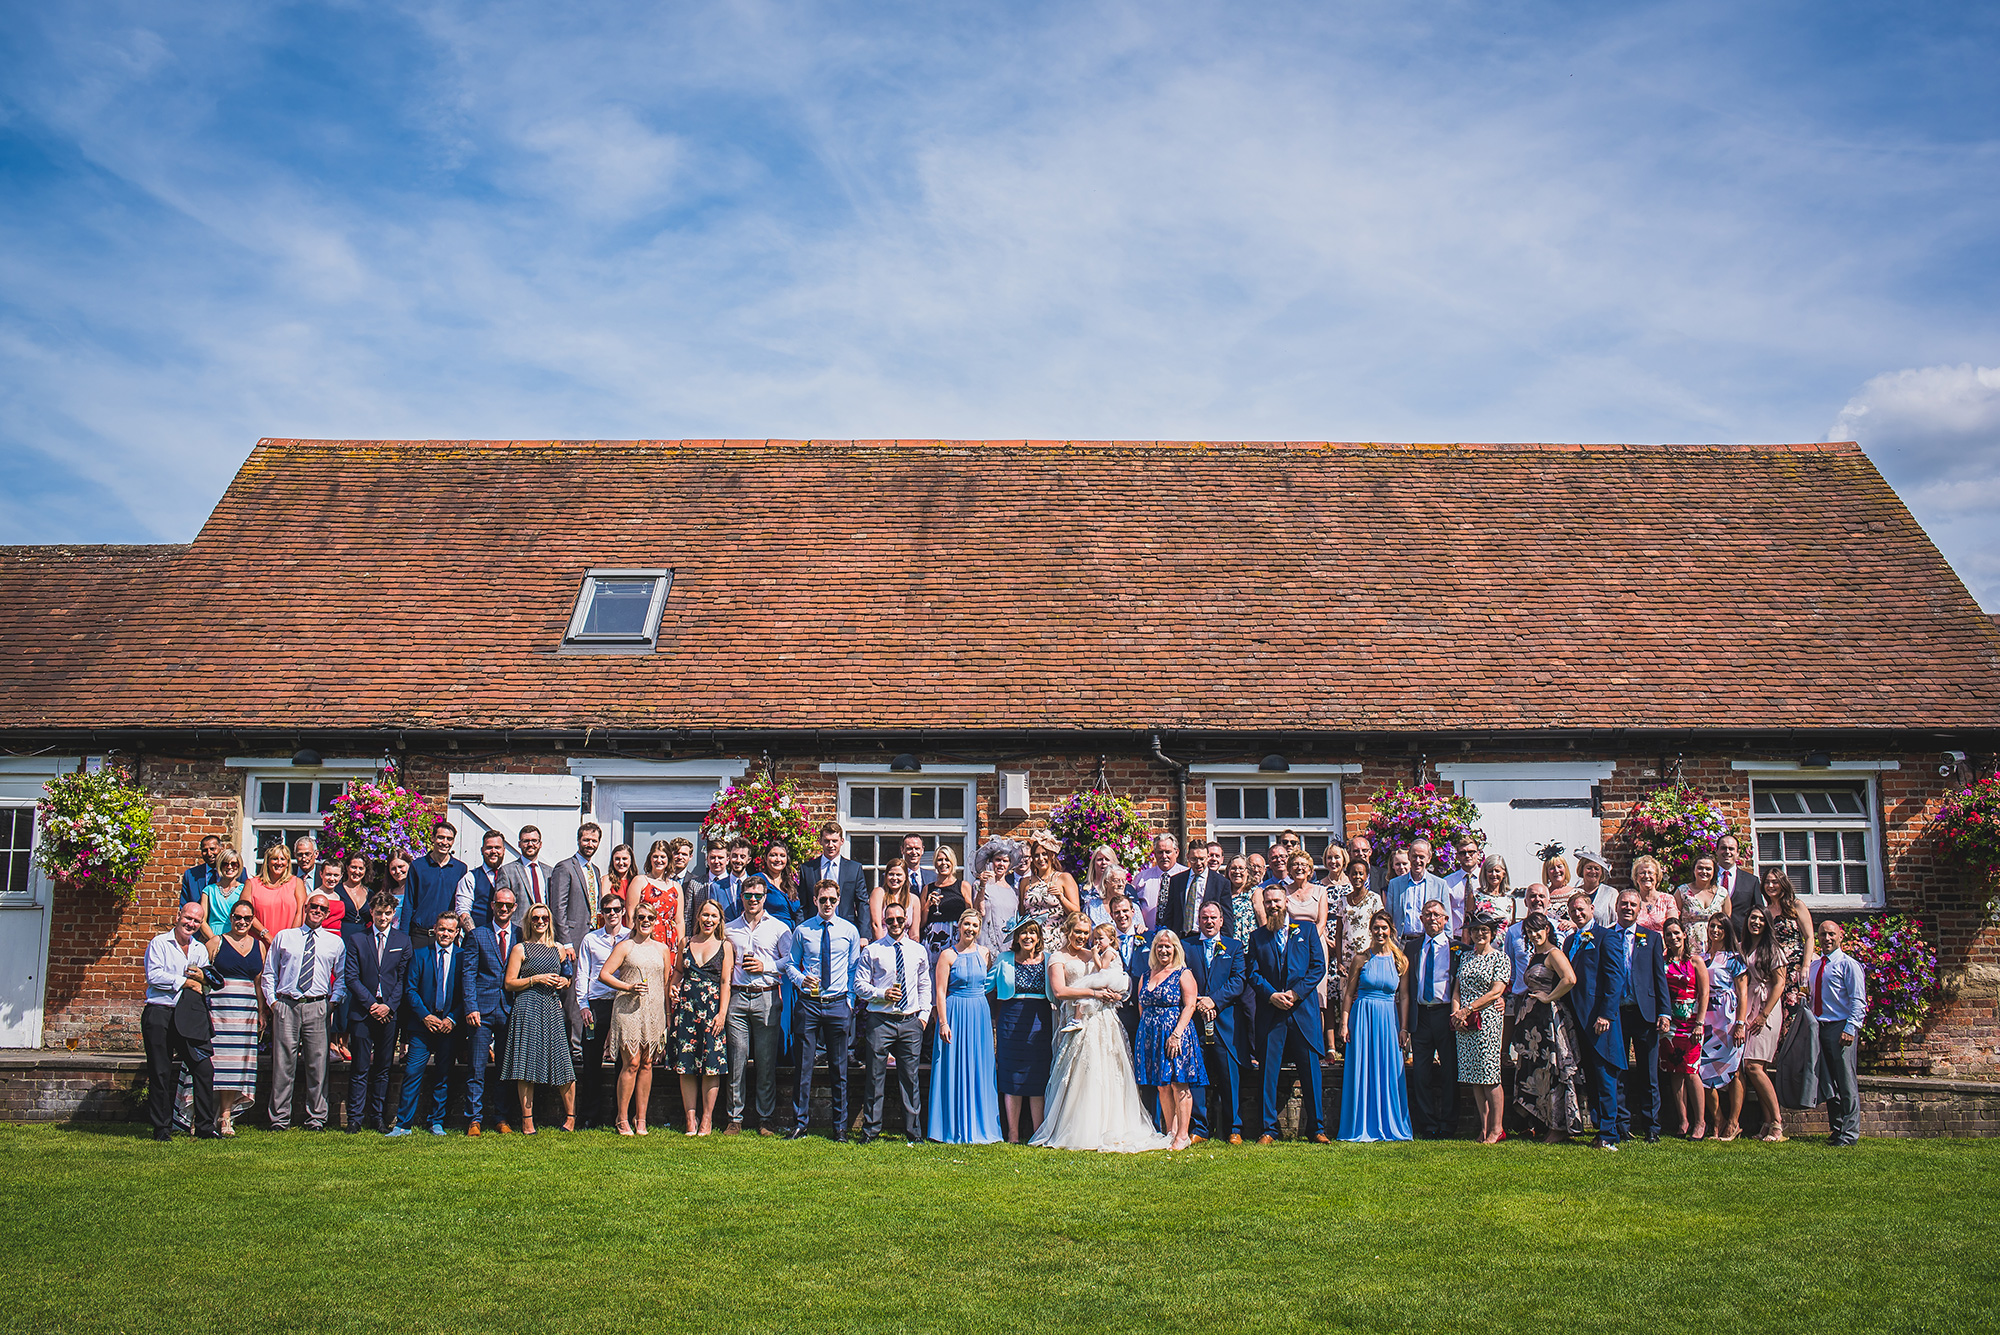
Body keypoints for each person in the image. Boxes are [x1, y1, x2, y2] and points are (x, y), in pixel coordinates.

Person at [1030, 918, 1172, 1152]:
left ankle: (1111, 1124)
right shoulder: (1057, 957)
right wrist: (1093, 993)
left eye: (1085, 933)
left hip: (1104, 1019)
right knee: (1081, 1070)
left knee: (1109, 1068)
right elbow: (1060, 991)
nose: (1082, 937)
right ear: (1068, 931)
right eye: (1077, 931)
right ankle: (1079, 1126)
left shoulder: (1094, 953)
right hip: (1078, 1018)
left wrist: (1115, 995)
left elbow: (1110, 978)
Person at [1577, 889, 1671, 1149]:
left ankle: (1652, 1126)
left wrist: (1664, 1011)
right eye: (1624, 904)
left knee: (1648, 1073)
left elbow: (1658, 977)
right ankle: (1622, 1125)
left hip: (1644, 1011)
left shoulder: (1650, 938)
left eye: (1633, 904)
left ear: (1640, 909)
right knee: (1616, 1070)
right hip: (1615, 1013)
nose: (1628, 907)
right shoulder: (1603, 935)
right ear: (1616, 907)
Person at [1247, 885, 1328, 1143]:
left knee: (1310, 1071)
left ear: (1286, 903)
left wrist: (1295, 994)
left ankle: (1317, 1129)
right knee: (1268, 1072)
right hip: (1272, 1013)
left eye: (1277, 901)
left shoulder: (1306, 930)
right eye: (1268, 902)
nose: (1273, 906)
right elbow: (1253, 973)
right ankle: (1268, 1129)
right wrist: (1271, 995)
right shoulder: (1258, 937)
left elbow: (1318, 967)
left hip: (1302, 1011)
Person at [260, 891, 344, 1131]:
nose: (318, 911)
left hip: (318, 1006)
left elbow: (341, 978)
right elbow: (269, 973)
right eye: (314, 906)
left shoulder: (334, 942)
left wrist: (332, 1003)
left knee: (318, 1065)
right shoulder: (285, 937)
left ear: (327, 914)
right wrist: (273, 1003)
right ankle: (279, 1119)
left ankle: (316, 1118)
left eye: (323, 909)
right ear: (306, 907)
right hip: (287, 1004)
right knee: (282, 1065)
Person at [786, 879, 862, 1140]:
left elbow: (854, 968)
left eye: (832, 899)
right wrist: (800, 980)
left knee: (839, 1069)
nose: (827, 904)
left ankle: (840, 1127)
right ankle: (800, 1123)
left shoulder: (849, 931)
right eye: (822, 899)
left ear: (839, 901)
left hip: (838, 1003)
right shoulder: (803, 930)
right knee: (803, 1067)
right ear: (816, 901)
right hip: (809, 1004)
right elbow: (790, 964)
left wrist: (850, 1000)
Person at [388, 911, 474, 1137]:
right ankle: (403, 1124)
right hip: (422, 1026)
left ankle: (436, 1122)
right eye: (442, 928)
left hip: (449, 1026)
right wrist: (425, 1016)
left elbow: (466, 993)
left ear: (457, 933)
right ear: (435, 929)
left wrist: (453, 1019)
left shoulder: (463, 957)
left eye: (450, 930)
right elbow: (410, 990)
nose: (445, 933)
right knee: (413, 1073)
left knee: (444, 1075)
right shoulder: (419, 955)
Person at [854, 898, 929, 1144]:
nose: (895, 923)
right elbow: (859, 985)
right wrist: (881, 993)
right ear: (884, 922)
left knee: (910, 1078)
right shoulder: (873, 951)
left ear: (906, 921)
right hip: (881, 1020)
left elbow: (924, 985)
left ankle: (913, 1132)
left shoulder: (918, 950)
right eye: (891, 920)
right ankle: (871, 1130)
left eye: (900, 919)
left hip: (910, 1021)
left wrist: (924, 1017)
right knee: (875, 1077)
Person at [142, 903, 217, 1141]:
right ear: (178, 917)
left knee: (204, 1069)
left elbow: (204, 983)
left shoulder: (199, 949)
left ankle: (205, 1127)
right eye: (188, 918)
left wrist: (200, 981)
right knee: (160, 1071)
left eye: (197, 921)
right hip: (160, 1012)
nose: (191, 924)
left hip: (189, 1014)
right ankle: (162, 1128)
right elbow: (154, 976)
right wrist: (185, 982)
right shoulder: (159, 943)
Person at [1508, 911, 1584, 1143]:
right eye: (1529, 932)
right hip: (1535, 1024)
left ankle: (1559, 1127)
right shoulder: (1535, 955)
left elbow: (1569, 979)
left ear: (1547, 929)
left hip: (1551, 1021)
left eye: (1537, 930)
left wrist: (1549, 997)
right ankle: (1542, 1121)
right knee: (1538, 1071)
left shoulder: (1553, 954)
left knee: (1554, 1071)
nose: (1533, 935)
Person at [501, 902, 578, 1133]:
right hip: (527, 1006)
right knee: (526, 1064)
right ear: (529, 921)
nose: (540, 922)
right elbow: (509, 983)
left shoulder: (559, 949)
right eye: (536, 918)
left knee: (563, 1062)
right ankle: (527, 1120)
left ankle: (571, 1117)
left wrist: (565, 982)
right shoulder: (520, 949)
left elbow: (568, 977)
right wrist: (536, 979)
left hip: (552, 1006)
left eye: (545, 918)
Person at [1337, 909, 1412, 1142]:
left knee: (1388, 1069)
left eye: (1384, 928)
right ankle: (1361, 1123)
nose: (1380, 932)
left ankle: (1389, 1123)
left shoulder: (1401, 960)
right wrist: (1344, 1024)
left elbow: (1405, 996)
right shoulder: (1361, 959)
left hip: (1388, 1019)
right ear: (1370, 930)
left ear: (1391, 930)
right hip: (1363, 1017)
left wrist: (1403, 1028)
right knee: (1362, 1068)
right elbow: (1349, 994)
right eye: (1376, 928)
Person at [723, 881, 791, 1135]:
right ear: (742, 897)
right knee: (737, 1059)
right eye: (749, 895)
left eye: (758, 896)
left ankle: (765, 1118)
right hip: (738, 997)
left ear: (765, 897)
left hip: (766, 996)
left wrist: (766, 966)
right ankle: (734, 1118)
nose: (753, 900)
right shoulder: (730, 929)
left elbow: (791, 961)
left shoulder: (779, 928)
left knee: (765, 1061)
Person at [926, 909, 1000, 1143]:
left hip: (978, 1012)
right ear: (959, 926)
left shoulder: (986, 954)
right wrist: (943, 1022)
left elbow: (989, 985)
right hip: (955, 1011)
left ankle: (981, 1126)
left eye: (975, 925)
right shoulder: (948, 955)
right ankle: (950, 1126)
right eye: (966, 924)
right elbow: (939, 991)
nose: (970, 929)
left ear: (979, 929)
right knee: (953, 1067)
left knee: (980, 1067)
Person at [599, 903, 670, 1136]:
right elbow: (604, 974)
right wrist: (628, 986)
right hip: (628, 1010)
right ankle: (622, 1118)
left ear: (655, 919)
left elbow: (666, 983)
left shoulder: (662, 949)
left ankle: (641, 1119)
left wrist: (667, 1016)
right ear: (635, 919)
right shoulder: (625, 946)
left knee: (648, 1064)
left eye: (650, 917)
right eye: (641, 917)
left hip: (653, 1012)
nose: (646, 921)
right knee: (632, 1063)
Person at [343, 892, 410, 1133]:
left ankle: (378, 1117)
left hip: (389, 1013)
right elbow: (351, 977)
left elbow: (403, 979)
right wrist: (372, 1004)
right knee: (359, 1067)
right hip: (363, 1011)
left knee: (383, 1067)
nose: (383, 917)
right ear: (371, 912)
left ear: (394, 915)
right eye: (379, 912)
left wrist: (388, 1006)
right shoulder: (357, 940)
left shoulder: (403, 940)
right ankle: (354, 1118)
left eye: (387, 913)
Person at [1133, 930, 1205, 1150]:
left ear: (1176, 949)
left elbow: (1190, 1005)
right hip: (1151, 1035)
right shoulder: (1146, 975)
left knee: (1178, 1083)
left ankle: (1183, 1134)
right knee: (1162, 1086)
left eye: (1168, 946)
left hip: (1176, 1034)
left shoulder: (1182, 973)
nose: (1163, 950)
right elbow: (1141, 1005)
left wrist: (1176, 1034)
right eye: (1159, 946)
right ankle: (1170, 1131)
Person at [199, 899, 265, 1137]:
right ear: (231, 917)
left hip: (245, 1012)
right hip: (219, 1009)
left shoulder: (258, 946)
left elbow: (259, 982)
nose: (242, 922)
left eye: (247, 919)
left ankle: (225, 1116)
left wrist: (261, 1011)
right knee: (214, 1063)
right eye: (238, 917)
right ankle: (203, 1113)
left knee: (236, 1065)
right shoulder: (216, 942)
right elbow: (202, 975)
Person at [669, 899, 733, 1137]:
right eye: (705, 915)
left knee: (711, 1067)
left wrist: (722, 1013)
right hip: (686, 1010)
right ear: (698, 917)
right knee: (685, 1066)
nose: (709, 920)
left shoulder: (725, 946)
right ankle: (690, 1120)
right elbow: (677, 972)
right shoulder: (685, 942)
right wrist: (672, 987)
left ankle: (706, 1120)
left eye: (713, 916)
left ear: (719, 920)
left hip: (712, 1012)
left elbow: (727, 981)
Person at [987, 917, 1052, 1144]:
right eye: (1023, 933)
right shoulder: (1005, 959)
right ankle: (1012, 1134)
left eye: (1032, 933)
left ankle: (1038, 1132)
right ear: (1016, 937)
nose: (1027, 937)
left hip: (1039, 1021)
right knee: (1011, 1075)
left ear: (1039, 938)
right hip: (1011, 1020)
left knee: (1037, 1077)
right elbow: (986, 985)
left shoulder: (1049, 959)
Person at [1186, 901, 1245, 1144]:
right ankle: (1199, 1128)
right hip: (1195, 1020)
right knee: (1197, 1075)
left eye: (1213, 917)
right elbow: (1182, 975)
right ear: (1198, 920)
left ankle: (1234, 1128)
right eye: (1204, 917)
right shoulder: (1187, 946)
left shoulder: (1234, 946)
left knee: (1229, 1076)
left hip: (1224, 1022)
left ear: (1222, 920)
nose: (1209, 922)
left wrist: (1213, 1001)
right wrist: (1197, 1001)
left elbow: (1238, 980)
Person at [462, 887, 519, 1135]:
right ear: (493, 906)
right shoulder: (477, 935)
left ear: (515, 907)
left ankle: (501, 1117)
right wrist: (470, 1006)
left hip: (509, 1009)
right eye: (499, 904)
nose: (503, 909)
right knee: (476, 1067)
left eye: (508, 905)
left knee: (504, 1069)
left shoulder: (520, 934)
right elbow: (468, 974)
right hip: (482, 1011)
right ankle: (473, 1119)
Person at [1454, 909, 1511, 1143]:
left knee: (1490, 1074)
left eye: (1484, 930)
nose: (1479, 934)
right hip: (1465, 1022)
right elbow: (1456, 988)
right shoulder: (1465, 956)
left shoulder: (1500, 958)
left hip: (1487, 1019)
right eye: (1476, 930)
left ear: (1493, 933)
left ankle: (1498, 1128)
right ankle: (1484, 1127)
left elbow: (1497, 991)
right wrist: (1456, 1014)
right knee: (1474, 1075)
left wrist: (1469, 1009)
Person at [1810, 919, 1868, 1147]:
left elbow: (1858, 1000)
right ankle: (1836, 1129)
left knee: (1845, 1082)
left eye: (1831, 934)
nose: (1827, 938)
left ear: (1841, 936)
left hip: (1840, 1028)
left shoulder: (1848, 965)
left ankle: (1850, 1134)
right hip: (1820, 1028)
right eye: (1823, 934)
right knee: (1828, 1084)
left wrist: (1850, 1028)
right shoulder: (1816, 966)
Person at [576, 892, 629, 1129]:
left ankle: (620, 1114)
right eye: (607, 910)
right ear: (601, 914)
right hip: (596, 1003)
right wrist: (583, 1005)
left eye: (616, 910)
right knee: (591, 1061)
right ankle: (589, 1115)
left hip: (623, 1002)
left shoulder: (631, 938)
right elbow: (582, 973)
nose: (612, 914)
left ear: (623, 911)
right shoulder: (590, 939)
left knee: (622, 1061)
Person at [1405, 899, 1457, 1139]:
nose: (1432, 918)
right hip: (1421, 1015)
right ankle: (1427, 1124)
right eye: (1427, 914)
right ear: (1421, 919)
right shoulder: (1412, 948)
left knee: (1449, 1071)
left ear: (1446, 919)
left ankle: (1447, 1123)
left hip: (1446, 1014)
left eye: (1437, 915)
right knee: (1421, 1073)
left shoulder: (1457, 949)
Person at [1739, 905, 1790, 1140]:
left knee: (1754, 1066)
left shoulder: (1773, 949)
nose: (1756, 922)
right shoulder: (1744, 947)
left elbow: (1780, 984)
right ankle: (1767, 1122)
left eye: (1760, 919)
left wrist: (1764, 1014)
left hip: (1766, 1008)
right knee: (1754, 1068)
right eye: (1752, 918)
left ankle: (1778, 1122)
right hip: (1749, 1007)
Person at [548, 823, 603, 1038]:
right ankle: (572, 1046)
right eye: (586, 840)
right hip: (572, 941)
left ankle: (585, 1040)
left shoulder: (595, 871)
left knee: (587, 989)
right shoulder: (565, 867)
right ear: (578, 840)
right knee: (571, 994)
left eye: (594, 840)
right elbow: (557, 907)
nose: (590, 844)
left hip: (592, 939)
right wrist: (566, 942)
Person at [1657, 918, 1710, 1139]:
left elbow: (1704, 993)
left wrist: (1700, 1022)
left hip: (1691, 1024)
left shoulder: (1696, 962)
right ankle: (1683, 1121)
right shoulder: (1661, 962)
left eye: (1677, 933)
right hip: (1670, 1024)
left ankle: (1700, 1122)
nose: (1673, 938)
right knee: (1674, 1072)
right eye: (1668, 934)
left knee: (1691, 1071)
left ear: (1684, 935)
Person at [1699, 916, 1749, 1140]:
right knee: (1705, 1070)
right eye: (1712, 926)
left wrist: (1740, 1023)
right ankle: (1716, 1120)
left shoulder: (1735, 959)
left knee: (1734, 1068)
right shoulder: (1701, 958)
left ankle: (1734, 1121)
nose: (1715, 930)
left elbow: (1743, 993)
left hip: (1727, 1019)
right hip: (1707, 1020)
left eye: (1720, 927)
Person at [405, 822, 469, 948]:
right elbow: (409, 902)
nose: (444, 842)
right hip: (420, 935)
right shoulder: (417, 866)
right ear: (433, 838)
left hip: (447, 936)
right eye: (441, 837)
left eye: (449, 839)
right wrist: (403, 937)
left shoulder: (460, 869)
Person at [1761, 868, 1816, 1014]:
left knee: (1795, 1009)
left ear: (1782, 884)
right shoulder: (1765, 911)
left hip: (1795, 968)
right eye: (1767, 882)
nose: (1770, 886)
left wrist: (1805, 966)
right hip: (1774, 969)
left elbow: (1809, 937)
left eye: (1774, 882)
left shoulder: (1795, 905)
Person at [1017, 832, 1080, 951]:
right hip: (1032, 941)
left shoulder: (1064, 878)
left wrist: (1061, 897)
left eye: (1044, 854)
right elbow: (1021, 913)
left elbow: (1076, 913)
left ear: (1052, 855)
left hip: (1057, 940)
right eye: (1036, 855)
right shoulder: (1025, 882)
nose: (1041, 859)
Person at [803, 821, 870, 930]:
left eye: (834, 841)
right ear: (820, 841)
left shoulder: (854, 869)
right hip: (814, 927)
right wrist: (801, 928)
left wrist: (864, 934)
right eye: (827, 841)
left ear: (842, 841)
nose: (830, 845)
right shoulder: (808, 869)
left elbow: (862, 903)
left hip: (845, 926)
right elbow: (803, 904)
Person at [1386, 838, 1449, 950]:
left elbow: (1446, 920)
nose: (1417, 861)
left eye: (1422, 857)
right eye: (1414, 856)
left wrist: (1447, 947)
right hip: (1401, 944)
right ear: (1409, 856)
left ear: (1429, 859)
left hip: (1429, 943)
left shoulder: (1440, 884)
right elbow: (1389, 917)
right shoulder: (1395, 884)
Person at [629, 840, 686, 954]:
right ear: (650, 858)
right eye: (655, 856)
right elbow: (631, 916)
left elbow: (679, 921)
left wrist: (680, 947)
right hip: (645, 937)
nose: (658, 860)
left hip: (669, 940)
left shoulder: (676, 887)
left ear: (668, 859)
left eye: (662, 857)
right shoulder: (640, 881)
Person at [920, 845, 974, 960]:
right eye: (940, 860)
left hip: (956, 937)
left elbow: (970, 913)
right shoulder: (927, 888)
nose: (943, 863)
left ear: (952, 863)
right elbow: (922, 922)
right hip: (933, 938)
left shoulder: (963, 886)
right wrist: (928, 904)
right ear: (935, 863)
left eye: (947, 860)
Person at [245, 843, 305, 942]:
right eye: (274, 858)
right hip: (259, 942)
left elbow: (301, 913)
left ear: (288, 863)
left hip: (288, 942)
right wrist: (266, 935)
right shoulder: (251, 884)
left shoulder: (296, 883)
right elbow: (246, 913)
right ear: (267, 862)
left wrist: (291, 938)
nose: (279, 862)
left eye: (283, 859)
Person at [1162, 851, 1227, 940]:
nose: (1198, 863)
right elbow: (1170, 913)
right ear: (1188, 857)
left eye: (1201, 859)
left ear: (1207, 857)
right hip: (1181, 938)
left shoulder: (1221, 882)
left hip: (1207, 937)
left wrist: (1224, 944)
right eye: (1194, 859)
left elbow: (1226, 917)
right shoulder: (1177, 880)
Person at [454, 831, 510, 931]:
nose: (493, 851)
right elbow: (462, 911)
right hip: (478, 938)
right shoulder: (470, 877)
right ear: (482, 850)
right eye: (489, 848)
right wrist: (476, 937)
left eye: (497, 847)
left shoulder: (512, 875)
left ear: (504, 850)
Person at [500, 824, 556, 924]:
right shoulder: (507, 871)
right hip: (519, 929)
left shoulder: (550, 872)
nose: (530, 844)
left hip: (544, 927)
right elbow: (501, 904)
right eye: (526, 841)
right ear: (519, 844)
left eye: (534, 841)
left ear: (540, 844)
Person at [972, 841, 1021, 952]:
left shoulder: (1013, 891)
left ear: (1009, 864)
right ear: (991, 862)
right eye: (998, 860)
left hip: (1008, 945)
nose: (1001, 864)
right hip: (986, 942)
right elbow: (978, 912)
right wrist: (982, 886)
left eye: (1005, 861)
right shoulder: (979, 885)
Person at [1131, 833, 1186, 931]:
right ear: (1155, 853)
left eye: (1168, 852)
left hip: (1178, 937)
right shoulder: (1142, 878)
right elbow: (1131, 907)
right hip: (1148, 935)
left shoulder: (1186, 876)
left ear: (1176, 852)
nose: (1164, 856)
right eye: (1160, 852)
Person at [196, 847, 250, 945]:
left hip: (236, 938)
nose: (230, 867)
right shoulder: (209, 890)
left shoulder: (244, 890)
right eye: (225, 864)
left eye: (234, 864)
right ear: (220, 866)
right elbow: (202, 920)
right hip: (213, 936)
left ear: (239, 866)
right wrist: (214, 940)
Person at [1677, 855, 1730, 954]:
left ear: (1714, 871)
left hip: (1715, 947)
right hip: (1689, 947)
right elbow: (1675, 921)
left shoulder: (1722, 893)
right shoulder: (1682, 891)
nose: (1704, 872)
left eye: (1708, 869)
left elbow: (1726, 923)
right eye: (1700, 868)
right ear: (1694, 870)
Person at [1716, 833, 1758, 938]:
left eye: (1731, 849)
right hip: (1712, 938)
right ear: (1716, 851)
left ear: (1737, 853)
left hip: (1741, 938)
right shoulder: (1705, 879)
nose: (1727, 852)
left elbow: (1758, 911)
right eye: (1723, 848)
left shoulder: (1751, 881)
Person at [873, 861, 924, 945]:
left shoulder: (914, 899)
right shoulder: (879, 893)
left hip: (905, 946)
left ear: (905, 877)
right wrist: (882, 948)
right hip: (883, 944)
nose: (894, 878)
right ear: (886, 876)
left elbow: (914, 933)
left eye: (899, 875)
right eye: (891, 874)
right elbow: (875, 925)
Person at [1631, 855, 1678, 933]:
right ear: (1636, 877)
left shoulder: (1667, 899)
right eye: (1642, 873)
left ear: (1657, 877)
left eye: (1650, 873)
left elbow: (1673, 927)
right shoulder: (1632, 901)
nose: (1646, 876)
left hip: (1662, 944)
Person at [1080, 845, 1121, 926]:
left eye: (1107, 859)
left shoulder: (1124, 888)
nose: (1103, 862)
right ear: (1093, 864)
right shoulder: (1083, 890)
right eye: (1099, 859)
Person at [1576, 848, 1617, 926]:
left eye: (1596, 868)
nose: (1593, 871)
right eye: (1589, 868)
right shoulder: (1575, 892)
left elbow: (1616, 921)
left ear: (1601, 872)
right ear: (1582, 870)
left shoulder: (1610, 893)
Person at [180, 834, 224, 906]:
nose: (209, 854)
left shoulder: (235, 872)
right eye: (204, 850)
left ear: (221, 849)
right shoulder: (191, 875)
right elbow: (184, 905)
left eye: (212, 849)